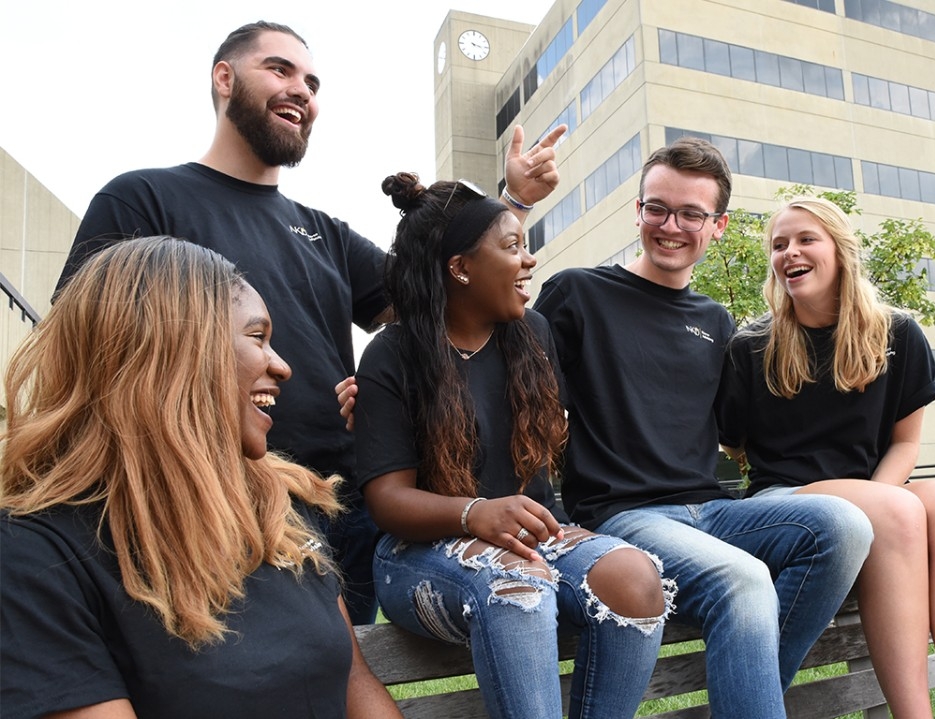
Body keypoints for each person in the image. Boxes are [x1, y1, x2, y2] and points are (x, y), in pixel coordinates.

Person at [53, 20, 564, 624]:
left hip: (346, 499)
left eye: (312, 81)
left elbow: (448, 297)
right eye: (280, 69)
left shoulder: (324, 232)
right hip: (220, 498)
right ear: (224, 79)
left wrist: (511, 206)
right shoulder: (143, 198)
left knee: (341, 679)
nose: (302, 90)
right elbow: (82, 341)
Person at [531, 137, 874, 718]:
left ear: (718, 225)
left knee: (845, 526)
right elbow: (518, 395)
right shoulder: (578, 293)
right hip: (624, 517)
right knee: (741, 580)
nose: (672, 225)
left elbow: (747, 429)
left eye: (692, 213)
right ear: (638, 211)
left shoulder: (716, 322)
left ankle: (745, 694)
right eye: (658, 208)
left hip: (709, 513)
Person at [0, 237, 402, 719]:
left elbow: (356, 684)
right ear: (174, 356)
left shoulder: (279, 509)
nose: (282, 366)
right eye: (258, 337)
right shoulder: (36, 558)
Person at [353, 174, 672, 718]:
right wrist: (475, 512)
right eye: (511, 247)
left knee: (636, 579)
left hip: (531, 540)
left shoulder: (534, 336)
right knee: (517, 585)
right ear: (460, 268)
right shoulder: (393, 353)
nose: (528, 261)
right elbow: (387, 501)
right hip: (416, 554)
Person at [715, 196, 935, 719]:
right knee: (897, 511)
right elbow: (732, 444)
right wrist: (886, 508)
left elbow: (905, 443)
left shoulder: (896, 333)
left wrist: (882, 500)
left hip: (875, 489)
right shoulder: (753, 344)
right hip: (789, 498)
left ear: (840, 251)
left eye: (805, 240)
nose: (789, 253)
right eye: (779, 245)